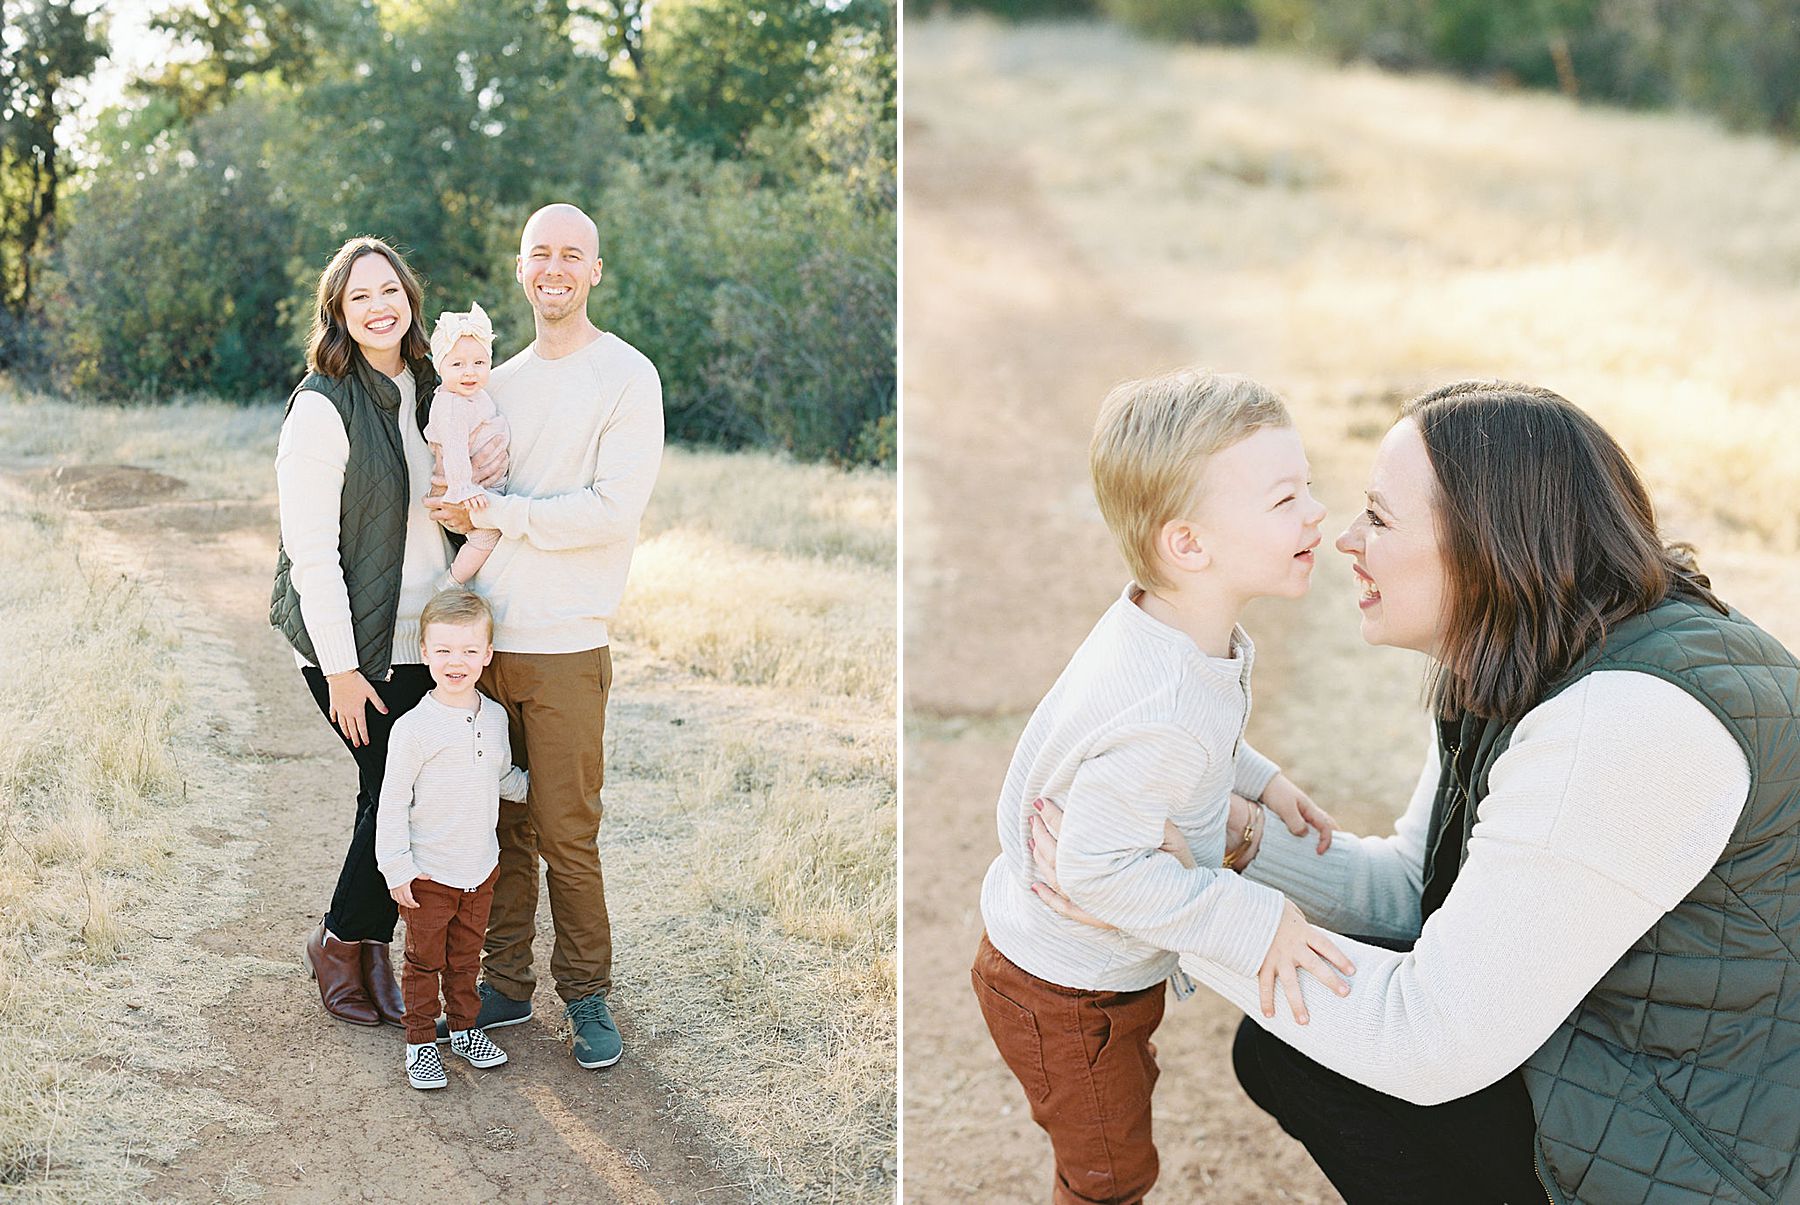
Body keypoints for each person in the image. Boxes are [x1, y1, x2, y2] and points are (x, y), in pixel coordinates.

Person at [1035, 383, 1800, 1203]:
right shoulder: (1540, 646)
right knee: (1294, 1047)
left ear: (1485, 545)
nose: (1345, 538)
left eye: (1379, 516)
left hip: (1709, 1162)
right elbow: (1413, 892)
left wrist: (1167, 907)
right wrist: (1243, 841)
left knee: (1319, 1049)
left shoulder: (1620, 729)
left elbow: (1431, 1041)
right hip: (1634, 1072)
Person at [973, 369, 1348, 1205]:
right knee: (1111, 1173)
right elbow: (1100, 869)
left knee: (1120, 1113)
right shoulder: (1162, 707)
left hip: (1099, 976)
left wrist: (1263, 778)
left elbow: (1203, 737)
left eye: (1308, 489)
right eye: (1285, 499)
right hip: (1069, 990)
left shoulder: (1168, 630)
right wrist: (1258, 916)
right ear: (1190, 544)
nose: (1316, 514)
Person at [424, 202, 663, 1070]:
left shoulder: (629, 377)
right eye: (540, 253)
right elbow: (469, 491)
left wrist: (497, 513)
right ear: (521, 268)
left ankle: (589, 996)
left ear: (595, 270)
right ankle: (507, 985)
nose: (555, 267)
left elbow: (610, 514)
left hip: (567, 643)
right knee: (500, 824)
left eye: (573, 254)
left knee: (567, 830)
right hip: (488, 645)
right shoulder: (496, 382)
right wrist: (458, 509)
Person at [272, 236, 451, 1027]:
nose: (380, 307)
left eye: (390, 290)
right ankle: (340, 940)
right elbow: (311, 552)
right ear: (338, 315)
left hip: (430, 635)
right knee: (394, 793)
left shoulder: (432, 384)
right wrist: (344, 670)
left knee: (392, 794)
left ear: (409, 296)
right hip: (353, 643)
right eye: (359, 298)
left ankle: (367, 950)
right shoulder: (323, 401)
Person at [375, 589, 527, 1090]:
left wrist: (538, 790)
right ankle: (420, 1042)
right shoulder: (414, 728)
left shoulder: (495, 717)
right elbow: (392, 802)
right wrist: (397, 868)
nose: (455, 662)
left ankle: (464, 1029)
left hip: (480, 867)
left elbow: (500, 777)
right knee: (424, 961)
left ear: (487, 655)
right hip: (428, 874)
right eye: (443, 651)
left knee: (466, 958)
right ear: (424, 652)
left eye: (467, 651)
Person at [422, 302, 508, 588]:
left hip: (474, 486)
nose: (469, 372)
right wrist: (463, 488)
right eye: (457, 364)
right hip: (457, 489)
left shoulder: (473, 395)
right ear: (440, 366)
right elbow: (455, 449)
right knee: (487, 536)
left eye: (479, 363)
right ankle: (451, 582)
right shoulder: (451, 404)